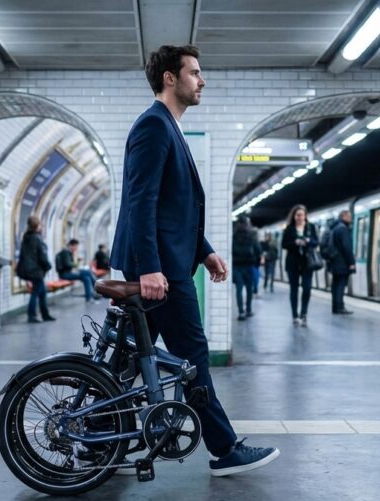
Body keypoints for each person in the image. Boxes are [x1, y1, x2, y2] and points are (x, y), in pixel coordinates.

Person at [110, 44, 279, 476]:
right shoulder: (153, 126)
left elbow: (173, 209)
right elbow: (141, 202)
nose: (202, 81)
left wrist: (205, 252)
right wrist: (149, 267)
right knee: (192, 356)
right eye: (195, 73)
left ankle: (99, 432)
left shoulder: (168, 127)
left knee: (131, 358)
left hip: (169, 261)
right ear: (170, 78)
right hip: (160, 268)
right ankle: (224, 450)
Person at [280, 204, 318, 327]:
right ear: (294, 216)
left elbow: (316, 242)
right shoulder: (289, 229)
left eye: (301, 215)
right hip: (293, 263)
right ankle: (295, 315)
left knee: (307, 288)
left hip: (308, 263)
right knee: (294, 290)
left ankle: (304, 313)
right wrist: (295, 242)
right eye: (297, 215)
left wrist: (308, 241)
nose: (299, 217)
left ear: (305, 216)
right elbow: (284, 244)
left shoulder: (310, 228)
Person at [17, 216, 53, 323]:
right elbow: (42, 255)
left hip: (27, 269)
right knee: (36, 293)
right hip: (36, 271)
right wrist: (47, 266)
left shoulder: (25, 238)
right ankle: (32, 316)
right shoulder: (37, 238)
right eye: (40, 225)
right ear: (37, 226)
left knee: (42, 292)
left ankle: (45, 314)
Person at [231, 217, 261, 320]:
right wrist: (256, 264)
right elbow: (258, 251)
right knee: (249, 290)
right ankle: (248, 310)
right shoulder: (251, 237)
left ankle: (241, 312)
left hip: (237, 267)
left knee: (239, 290)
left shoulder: (234, 237)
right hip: (249, 266)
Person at [328, 210, 356, 315]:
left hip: (334, 261)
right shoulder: (343, 229)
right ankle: (340, 307)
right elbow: (346, 247)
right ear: (343, 216)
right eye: (349, 216)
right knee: (341, 284)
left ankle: (335, 307)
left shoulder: (335, 228)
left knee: (335, 284)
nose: (351, 218)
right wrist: (351, 262)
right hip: (342, 262)